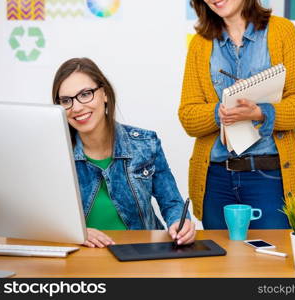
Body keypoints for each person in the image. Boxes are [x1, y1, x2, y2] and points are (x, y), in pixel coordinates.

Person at [179, 0, 295, 229]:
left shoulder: (281, 31)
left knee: (270, 260)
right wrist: (219, 113)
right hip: (217, 178)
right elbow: (188, 116)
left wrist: (261, 112)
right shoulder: (201, 44)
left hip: (268, 178)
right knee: (220, 262)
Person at [52, 58, 195, 247]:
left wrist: (180, 222)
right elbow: (40, 216)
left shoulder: (145, 144)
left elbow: (172, 203)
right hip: (81, 259)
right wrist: (75, 233)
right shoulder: (54, 153)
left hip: (140, 257)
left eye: (85, 94)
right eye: (66, 100)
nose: (76, 107)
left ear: (104, 93)